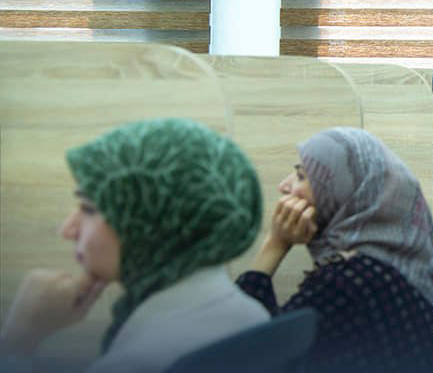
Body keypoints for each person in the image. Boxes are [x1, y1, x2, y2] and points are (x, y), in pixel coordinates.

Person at [0, 118, 269, 373]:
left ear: (152, 223)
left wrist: (19, 338)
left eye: (89, 209)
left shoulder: (139, 362)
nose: (67, 230)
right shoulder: (248, 314)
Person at [236, 127, 433, 373]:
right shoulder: (393, 260)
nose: (284, 186)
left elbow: (247, 354)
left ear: (342, 191)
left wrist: (274, 245)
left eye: (301, 176)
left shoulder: (346, 282)